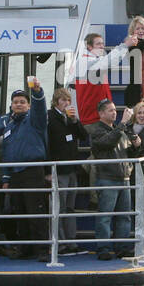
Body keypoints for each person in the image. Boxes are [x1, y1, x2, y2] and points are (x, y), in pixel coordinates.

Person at [0, 80, 48, 259]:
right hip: (15, 173)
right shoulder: (8, 126)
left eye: (22, 102)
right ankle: (25, 248)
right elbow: (7, 152)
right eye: (15, 102)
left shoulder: (35, 120)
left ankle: (42, 250)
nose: (18, 104)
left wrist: (38, 92)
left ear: (28, 105)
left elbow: (40, 108)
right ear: (11, 105)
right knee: (20, 213)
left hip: (32, 171)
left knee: (36, 213)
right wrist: (6, 178)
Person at [87, 99, 138, 260]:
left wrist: (136, 144)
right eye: (110, 110)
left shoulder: (119, 130)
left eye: (115, 110)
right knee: (105, 216)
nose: (115, 113)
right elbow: (107, 143)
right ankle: (103, 248)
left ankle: (121, 247)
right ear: (101, 114)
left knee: (124, 216)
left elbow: (129, 153)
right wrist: (123, 124)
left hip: (124, 177)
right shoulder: (97, 130)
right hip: (107, 178)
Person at [46, 87, 88, 254]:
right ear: (56, 101)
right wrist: (47, 171)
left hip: (71, 169)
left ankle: (71, 241)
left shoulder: (70, 119)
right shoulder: (50, 118)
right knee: (59, 207)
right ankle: (60, 242)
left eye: (69, 101)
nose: (67, 103)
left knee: (70, 207)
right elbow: (47, 145)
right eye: (63, 100)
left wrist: (75, 121)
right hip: (58, 169)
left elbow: (84, 136)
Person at [71, 31, 136, 125]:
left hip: (97, 117)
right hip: (93, 119)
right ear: (89, 47)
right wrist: (125, 45)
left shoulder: (89, 60)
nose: (102, 46)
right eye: (98, 44)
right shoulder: (86, 61)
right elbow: (109, 61)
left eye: (102, 43)